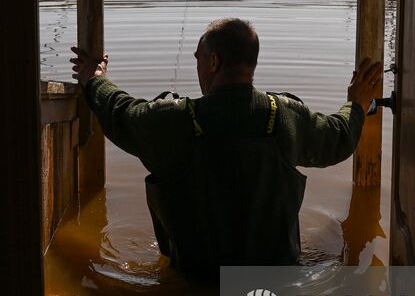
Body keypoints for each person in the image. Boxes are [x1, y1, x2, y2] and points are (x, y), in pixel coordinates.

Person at [70, 18, 384, 279]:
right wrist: (356, 104)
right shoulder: (286, 116)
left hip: (195, 281)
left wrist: (95, 79)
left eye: (198, 58)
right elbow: (340, 137)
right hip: (276, 282)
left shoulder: (173, 121)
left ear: (214, 61)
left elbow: (119, 111)